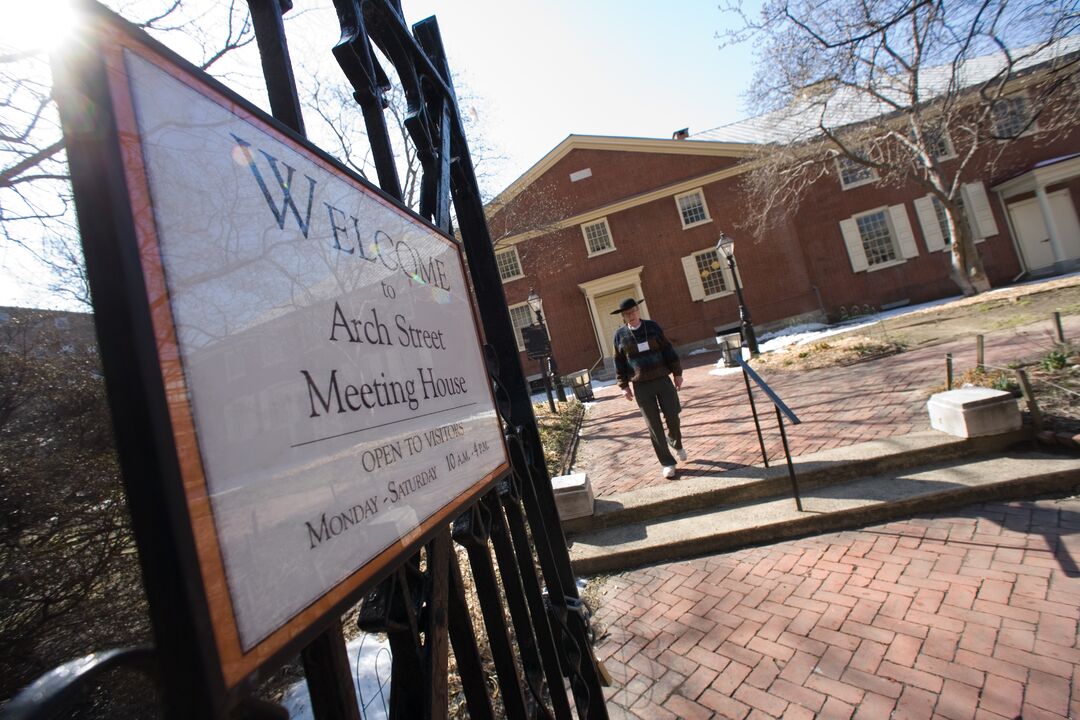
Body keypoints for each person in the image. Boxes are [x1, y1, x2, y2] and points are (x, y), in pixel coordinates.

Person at [611, 298, 686, 479]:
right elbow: (619, 362)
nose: (632, 315)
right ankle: (667, 462)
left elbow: (668, 349)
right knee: (653, 425)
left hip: (662, 379)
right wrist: (623, 386)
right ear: (623, 317)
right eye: (627, 313)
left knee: (673, 415)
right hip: (641, 385)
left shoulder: (652, 327)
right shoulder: (619, 335)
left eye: (634, 311)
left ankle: (676, 442)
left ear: (638, 311)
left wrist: (677, 373)